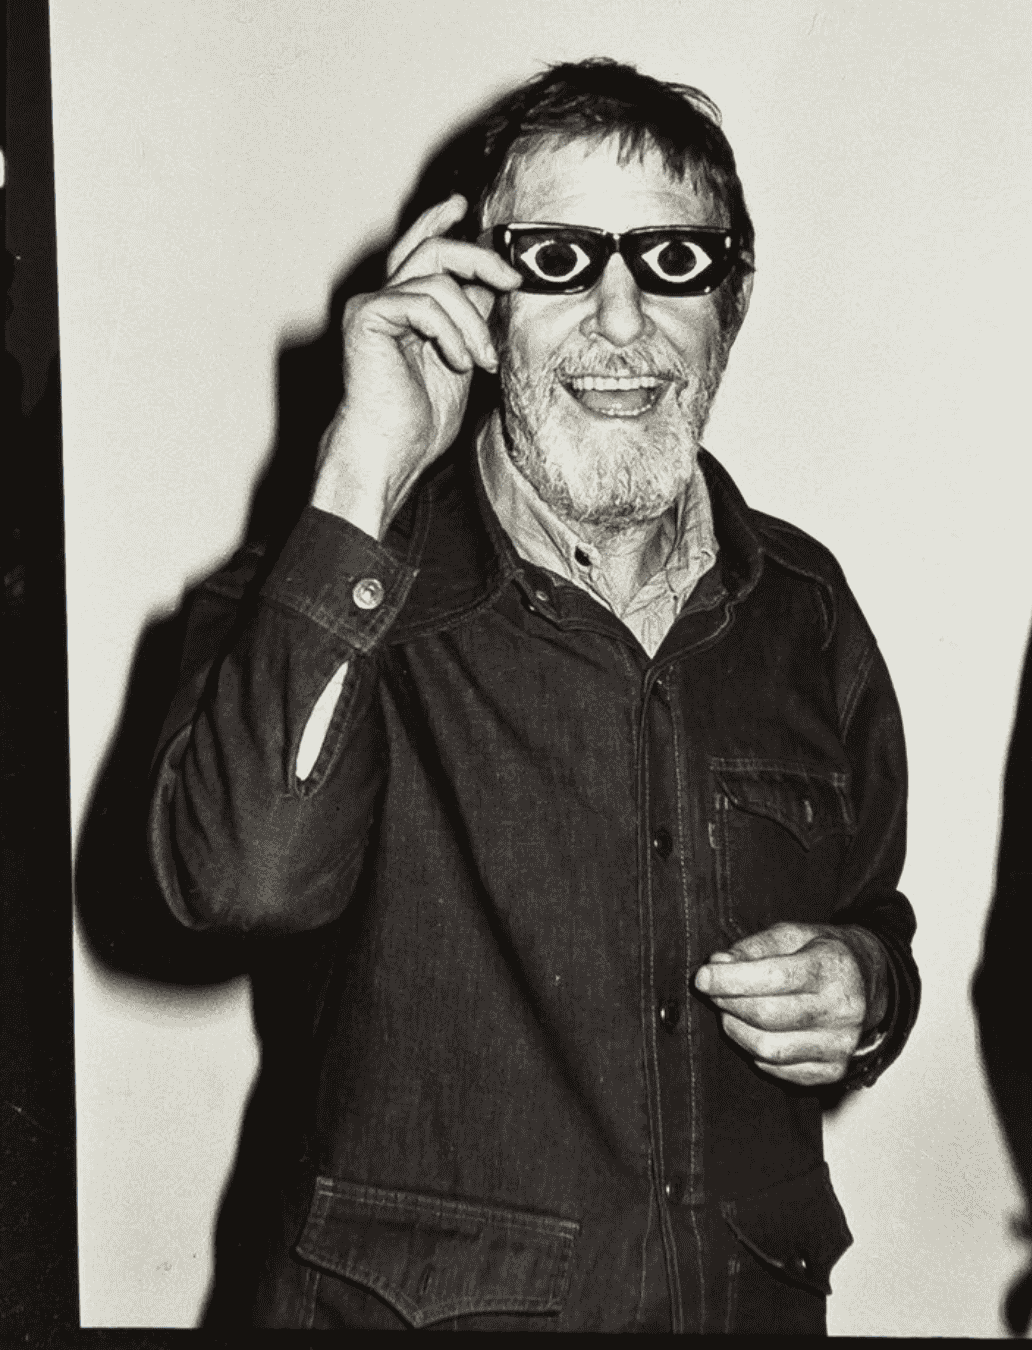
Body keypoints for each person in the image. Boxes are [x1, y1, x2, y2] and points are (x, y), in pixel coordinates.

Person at [148, 58, 920, 1333]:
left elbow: (874, 913)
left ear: (730, 305)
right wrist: (365, 464)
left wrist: (870, 987)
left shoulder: (807, 611)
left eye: (673, 261)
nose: (620, 320)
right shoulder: (334, 584)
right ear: (483, 302)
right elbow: (241, 879)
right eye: (558, 261)